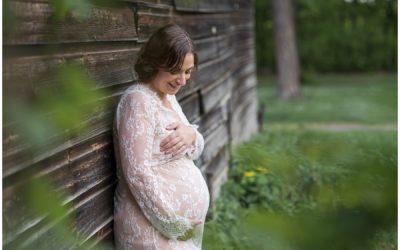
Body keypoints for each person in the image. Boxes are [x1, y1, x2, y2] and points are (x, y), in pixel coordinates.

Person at [113, 24, 210, 250]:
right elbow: (137, 173)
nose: (183, 81)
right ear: (155, 62)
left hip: (174, 232)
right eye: (176, 70)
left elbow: (194, 148)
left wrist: (192, 134)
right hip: (151, 230)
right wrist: (174, 225)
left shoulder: (167, 96)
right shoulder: (138, 100)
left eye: (188, 72)